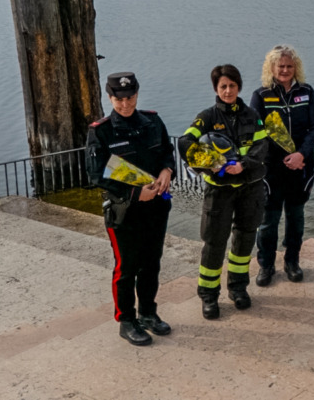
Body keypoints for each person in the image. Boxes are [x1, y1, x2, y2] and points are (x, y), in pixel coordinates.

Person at [85, 72, 175, 346]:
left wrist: (167, 170)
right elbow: (95, 175)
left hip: (156, 206)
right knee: (126, 267)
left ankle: (148, 313)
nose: (125, 104)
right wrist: (136, 193)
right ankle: (126, 320)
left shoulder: (152, 121)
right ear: (110, 98)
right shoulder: (100, 131)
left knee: (151, 263)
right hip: (123, 210)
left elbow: (167, 152)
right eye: (119, 99)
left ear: (137, 94)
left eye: (130, 97)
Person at [177, 64, 272, 320]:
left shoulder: (252, 115)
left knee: (244, 239)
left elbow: (262, 147)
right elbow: (185, 142)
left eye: (231, 85)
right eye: (223, 87)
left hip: (250, 189)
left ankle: (238, 289)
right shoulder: (207, 117)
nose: (228, 91)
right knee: (215, 242)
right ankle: (208, 296)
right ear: (216, 89)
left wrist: (243, 164)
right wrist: (214, 163)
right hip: (219, 192)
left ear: (239, 86)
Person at [250, 45, 314, 286]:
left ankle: (292, 262)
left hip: (301, 167)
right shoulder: (261, 95)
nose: (285, 70)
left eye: (290, 66)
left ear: (296, 67)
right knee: (268, 221)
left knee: (296, 217)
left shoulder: (307, 92)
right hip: (272, 169)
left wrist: (301, 154)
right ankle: (266, 265)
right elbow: (255, 132)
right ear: (271, 68)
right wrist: (277, 156)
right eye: (280, 66)